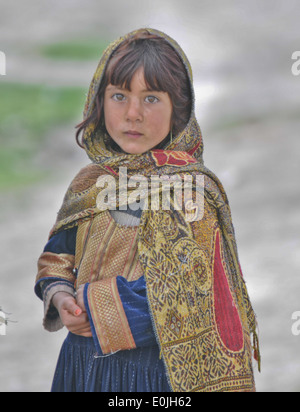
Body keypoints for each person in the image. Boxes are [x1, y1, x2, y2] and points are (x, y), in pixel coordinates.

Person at [35, 28, 260, 392]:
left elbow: (188, 291)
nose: (133, 113)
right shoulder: (89, 183)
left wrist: (95, 305)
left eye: (151, 98)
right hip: (83, 369)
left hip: (154, 376)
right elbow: (57, 256)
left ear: (179, 110)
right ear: (99, 100)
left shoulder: (193, 194)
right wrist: (62, 299)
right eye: (119, 96)